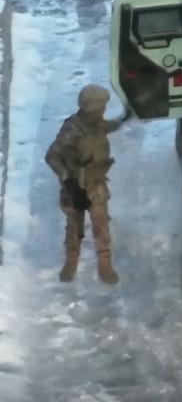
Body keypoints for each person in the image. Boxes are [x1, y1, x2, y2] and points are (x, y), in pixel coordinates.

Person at [45, 84, 131, 284]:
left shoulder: (97, 123)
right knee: (74, 226)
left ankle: (105, 265)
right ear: (92, 108)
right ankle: (71, 261)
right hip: (75, 185)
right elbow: (52, 156)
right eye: (101, 107)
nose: (104, 110)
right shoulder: (72, 129)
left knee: (101, 224)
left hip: (96, 184)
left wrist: (122, 120)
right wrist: (68, 180)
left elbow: (106, 127)